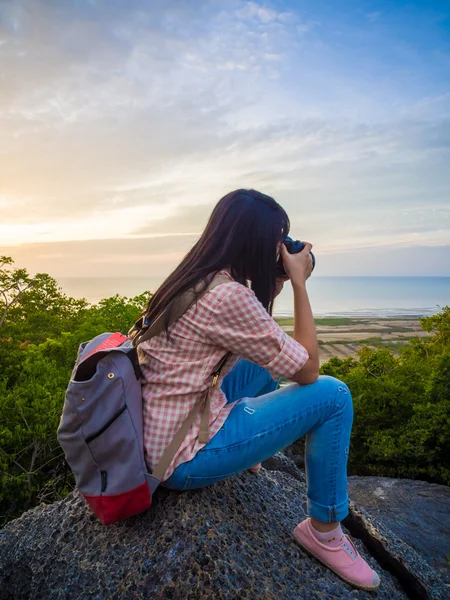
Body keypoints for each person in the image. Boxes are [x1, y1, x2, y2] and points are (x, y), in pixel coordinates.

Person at [138, 189, 381, 592]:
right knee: (334, 395)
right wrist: (300, 284)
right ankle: (323, 531)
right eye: (277, 237)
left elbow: (261, 336)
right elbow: (307, 371)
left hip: (158, 426)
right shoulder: (229, 295)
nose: (279, 246)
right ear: (253, 239)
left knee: (265, 358)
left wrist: (277, 282)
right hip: (178, 457)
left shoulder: (196, 276)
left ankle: (245, 452)